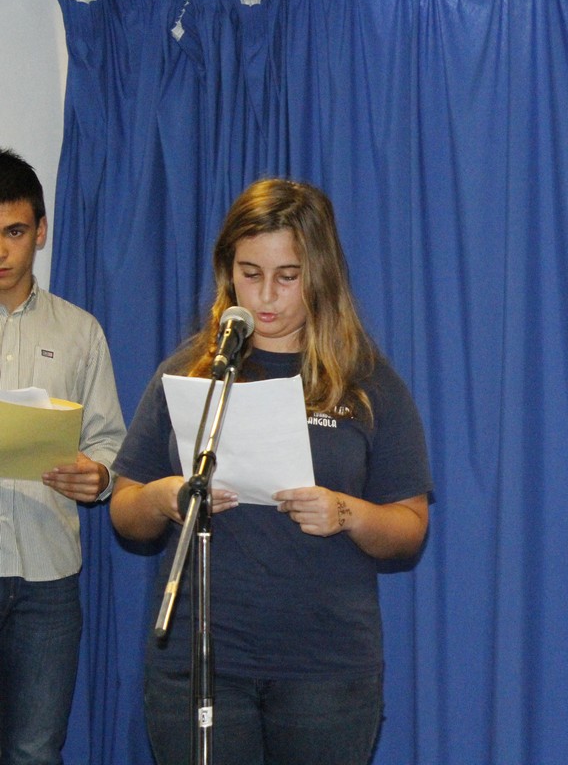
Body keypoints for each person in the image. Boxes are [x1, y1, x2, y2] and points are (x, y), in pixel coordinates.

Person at [110, 178, 433, 765]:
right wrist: (164, 498)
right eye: (249, 273)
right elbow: (125, 510)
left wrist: (346, 513)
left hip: (325, 670)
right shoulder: (192, 372)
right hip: (200, 662)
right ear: (227, 271)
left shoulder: (367, 383)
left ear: (321, 275)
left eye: (288, 277)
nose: (265, 296)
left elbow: (410, 527)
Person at [0, 148, 126, 765]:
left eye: (14, 232)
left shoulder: (81, 332)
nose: (1, 250)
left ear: (41, 232)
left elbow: (110, 443)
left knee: (33, 752)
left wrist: (98, 476)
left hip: (47, 578)